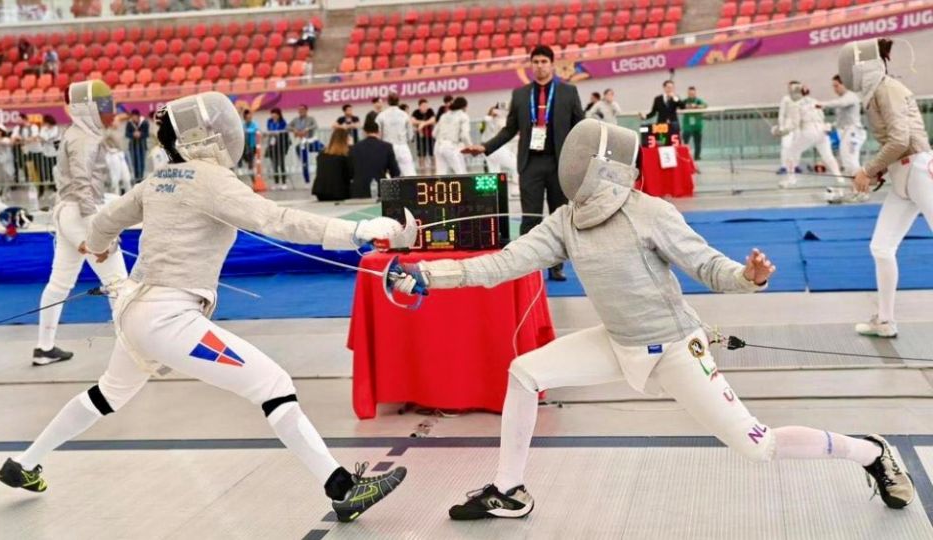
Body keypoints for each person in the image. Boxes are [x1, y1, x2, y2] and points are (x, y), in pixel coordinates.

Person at [391, 119, 915, 519]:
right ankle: (511, 489)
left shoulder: (650, 212)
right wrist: (429, 276)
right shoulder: (566, 221)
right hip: (617, 342)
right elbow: (503, 262)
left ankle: (869, 450)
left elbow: (707, 265)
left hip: (673, 349)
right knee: (525, 373)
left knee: (760, 447)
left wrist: (748, 276)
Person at [0, 92, 410, 523]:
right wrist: (357, 230)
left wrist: (100, 253)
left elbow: (102, 224)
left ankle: (25, 464)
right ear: (203, 137)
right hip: (169, 320)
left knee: (107, 394)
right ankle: (342, 489)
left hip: (136, 314)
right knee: (274, 384)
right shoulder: (211, 179)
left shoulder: (158, 178)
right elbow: (278, 220)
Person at [462, 45, 584, 282]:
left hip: (559, 162)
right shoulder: (520, 95)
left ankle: (556, 266)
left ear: (552, 64)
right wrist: (485, 147)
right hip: (531, 164)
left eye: (544, 61)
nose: (540, 65)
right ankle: (526, 265)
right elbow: (509, 129)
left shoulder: (569, 92)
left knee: (560, 216)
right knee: (530, 217)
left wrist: (585, 155)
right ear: (531, 65)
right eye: (535, 61)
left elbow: (580, 125)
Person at [839, 38, 932, 338]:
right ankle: (885, 321)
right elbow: (895, 147)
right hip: (903, 177)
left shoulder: (887, 88)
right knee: (881, 248)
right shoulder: (876, 91)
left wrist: (868, 170)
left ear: (865, 66)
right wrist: (880, 171)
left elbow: (901, 139)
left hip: (920, 171)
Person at [34, 80, 129, 366]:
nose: (113, 113)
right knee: (119, 284)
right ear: (91, 109)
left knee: (60, 282)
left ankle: (44, 347)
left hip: (67, 215)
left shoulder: (77, 133)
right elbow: (82, 185)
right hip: (81, 214)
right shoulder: (85, 139)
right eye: (107, 107)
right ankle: (134, 354)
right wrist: (101, 232)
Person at [780, 85, 842, 189]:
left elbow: (795, 124)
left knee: (790, 152)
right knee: (828, 156)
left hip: (809, 131)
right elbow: (822, 116)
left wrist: (782, 131)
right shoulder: (815, 101)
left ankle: (791, 180)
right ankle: (840, 178)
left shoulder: (796, 105)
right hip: (822, 130)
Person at [820, 74, 866, 173]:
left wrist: (822, 104)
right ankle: (857, 187)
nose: (834, 89)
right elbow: (841, 120)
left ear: (844, 84)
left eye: (836, 86)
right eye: (833, 86)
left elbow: (841, 103)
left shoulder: (851, 96)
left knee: (851, 162)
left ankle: (861, 186)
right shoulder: (844, 98)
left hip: (854, 132)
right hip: (846, 132)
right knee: (847, 162)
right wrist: (832, 126)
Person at [350, 119, 400, 198]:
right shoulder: (387, 146)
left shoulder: (355, 148)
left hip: (359, 190)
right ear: (378, 131)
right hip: (381, 189)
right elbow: (395, 171)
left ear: (364, 132)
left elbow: (350, 170)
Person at [482, 105, 519, 198]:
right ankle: (516, 189)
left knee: (494, 171)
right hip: (494, 148)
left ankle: (494, 192)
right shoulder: (491, 120)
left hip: (488, 150)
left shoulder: (491, 120)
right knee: (515, 165)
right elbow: (506, 135)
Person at [376, 92, 417, 177]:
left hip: (388, 147)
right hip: (402, 147)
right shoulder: (405, 115)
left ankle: (391, 190)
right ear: (398, 101)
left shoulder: (381, 115)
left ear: (388, 102)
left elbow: (377, 134)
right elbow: (410, 135)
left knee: (388, 175)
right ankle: (412, 190)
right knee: (410, 174)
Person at [433, 97, 471, 175]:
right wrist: (470, 147)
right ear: (464, 106)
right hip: (451, 146)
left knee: (441, 174)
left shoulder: (444, 115)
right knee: (461, 173)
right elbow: (464, 135)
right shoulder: (463, 116)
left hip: (438, 146)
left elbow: (434, 133)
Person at [312, 128, 353, 201]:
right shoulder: (345, 157)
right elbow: (350, 175)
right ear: (346, 140)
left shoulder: (321, 156)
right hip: (340, 193)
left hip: (321, 193)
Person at [774, 81, 803, 175]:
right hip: (788, 125)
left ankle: (795, 166)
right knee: (786, 146)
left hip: (798, 126)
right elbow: (781, 114)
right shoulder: (785, 99)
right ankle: (784, 167)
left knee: (797, 146)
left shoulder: (803, 99)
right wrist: (781, 126)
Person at [291, 104, 319, 185]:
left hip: (311, 140)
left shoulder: (311, 119)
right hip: (302, 143)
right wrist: (294, 130)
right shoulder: (295, 120)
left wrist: (308, 129)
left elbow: (315, 125)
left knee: (323, 149)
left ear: (306, 110)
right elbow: (288, 127)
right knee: (304, 162)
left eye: (302, 109)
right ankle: (307, 180)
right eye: (299, 110)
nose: (300, 111)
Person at [104, 114, 133, 195]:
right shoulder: (108, 131)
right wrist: (108, 149)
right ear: (112, 122)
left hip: (121, 155)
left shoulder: (120, 129)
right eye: (117, 121)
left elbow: (125, 115)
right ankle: (115, 198)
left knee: (127, 178)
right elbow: (100, 141)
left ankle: (130, 197)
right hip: (113, 156)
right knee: (115, 179)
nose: (119, 123)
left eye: (119, 121)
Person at [266, 108, 291, 188]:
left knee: (282, 164)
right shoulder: (269, 121)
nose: (273, 115)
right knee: (275, 165)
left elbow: (283, 131)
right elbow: (269, 130)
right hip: (272, 146)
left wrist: (276, 133)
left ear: (279, 114)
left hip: (280, 146)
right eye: (272, 113)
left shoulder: (283, 122)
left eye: (275, 113)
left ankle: (284, 182)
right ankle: (276, 182)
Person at [681, 86, 707, 161]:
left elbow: (705, 105)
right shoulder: (685, 101)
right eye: (690, 93)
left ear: (695, 93)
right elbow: (679, 106)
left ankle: (697, 156)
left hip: (697, 126)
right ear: (688, 93)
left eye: (693, 93)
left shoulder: (698, 101)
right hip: (687, 126)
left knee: (697, 143)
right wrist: (687, 106)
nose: (691, 94)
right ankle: (685, 157)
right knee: (685, 142)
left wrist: (696, 106)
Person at [125, 109, 149, 183]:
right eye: (132, 117)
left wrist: (140, 134)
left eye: (135, 117)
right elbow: (127, 134)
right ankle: (136, 178)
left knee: (142, 162)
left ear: (138, 116)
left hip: (142, 146)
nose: (134, 118)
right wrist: (133, 134)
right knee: (134, 162)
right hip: (133, 147)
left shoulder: (144, 123)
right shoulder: (129, 123)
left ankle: (141, 178)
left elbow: (147, 134)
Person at [411, 99, 436, 165]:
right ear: (419, 106)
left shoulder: (430, 111)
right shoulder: (416, 112)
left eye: (426, 105)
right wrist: (422, 122)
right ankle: (422, 169)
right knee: (421, 154)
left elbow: (433, 120)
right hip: (420, 136)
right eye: (423, 106)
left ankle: (434, 169)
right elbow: (412, 121)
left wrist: (423, 124)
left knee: (433, 153)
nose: (425, 107)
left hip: (430, 136)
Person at [38, 114, 60, 188]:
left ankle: (55, 185)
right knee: (47, 169)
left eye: (45, 122)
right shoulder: (43, 128)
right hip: (45, 153)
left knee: (55, 170)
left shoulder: (56, 128)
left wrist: (44, 138)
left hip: (54, 153)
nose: (44, 123)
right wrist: (43, 138)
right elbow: (41, 137)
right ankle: (50, 184)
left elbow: (49, 138)